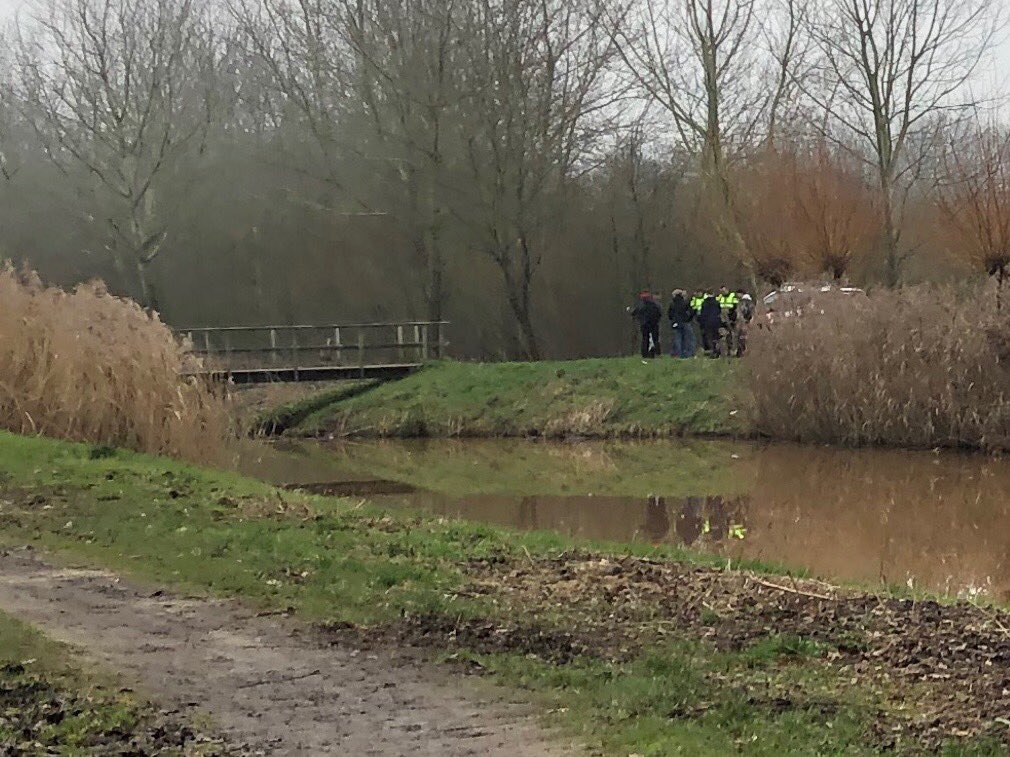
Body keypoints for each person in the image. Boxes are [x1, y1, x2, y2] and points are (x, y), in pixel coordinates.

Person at [630, 290, 662, 358]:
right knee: (655, 339)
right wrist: (656, 320)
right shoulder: (654, 304)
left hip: (644, 324)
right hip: (654, 324)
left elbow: (634, 313)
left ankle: (644, 354)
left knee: (645, 339)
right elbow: (659, 313)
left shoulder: (640, 305)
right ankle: (657, 353)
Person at [667, 289, 696, 358]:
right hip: (685, 322)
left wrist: (673, 320)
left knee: (677, 339)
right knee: (688, 338)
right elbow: (692, 312)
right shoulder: (685, 303)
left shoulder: (672, 304)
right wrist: (688, 319)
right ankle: (688, 353)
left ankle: (677, 353)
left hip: (676, 323)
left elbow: (669, 314)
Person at [698, 291, 724, 356]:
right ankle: (718, 350)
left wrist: (701, 323)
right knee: (716, 337)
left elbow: (703, 314)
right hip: (716, 322)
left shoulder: (704, 303)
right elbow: (719, 312)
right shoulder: (717, 302)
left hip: (707, 322)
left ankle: (713, 351)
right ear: (713, 294)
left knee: (710, 337)